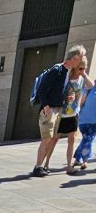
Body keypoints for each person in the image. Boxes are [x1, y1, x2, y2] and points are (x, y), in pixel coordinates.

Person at [32, 44, 87, 177]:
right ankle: (38, 166)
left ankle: (41, 166)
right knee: (46, 139)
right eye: (79, 60)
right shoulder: (57, 70)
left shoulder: (66, 73)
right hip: (49, 109)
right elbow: (41, 90)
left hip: (57, 109)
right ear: (74, 59)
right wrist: (46, 108)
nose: (80, 63)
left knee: (50, 139)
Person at [73, 83, 96, 169]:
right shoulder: (89, 88)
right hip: (84, 120)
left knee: (87, 139)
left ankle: (80, 160)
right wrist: (77, 111)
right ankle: (82, 160)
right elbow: (80, 102)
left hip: (94, 122)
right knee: (87, 139)